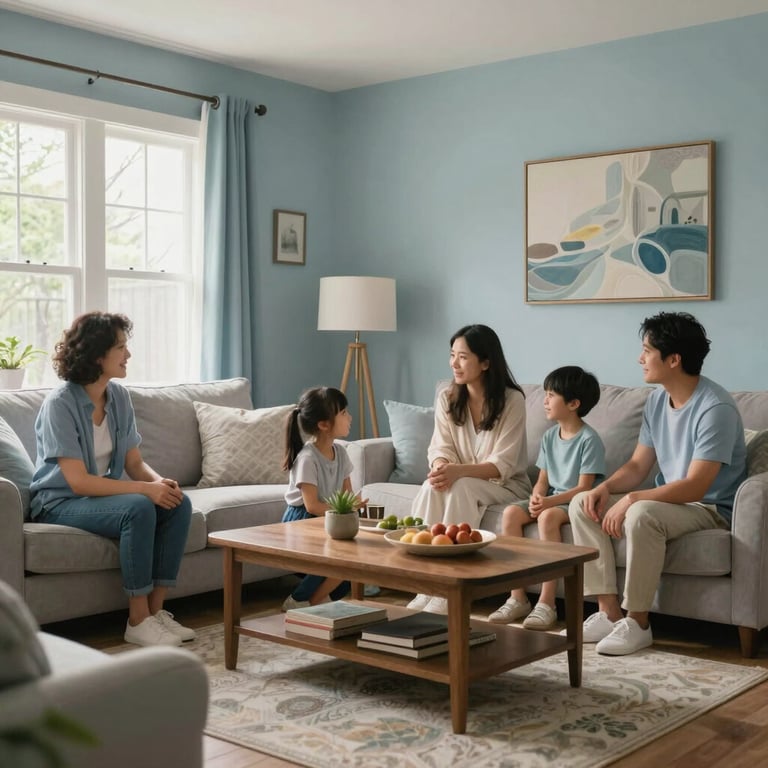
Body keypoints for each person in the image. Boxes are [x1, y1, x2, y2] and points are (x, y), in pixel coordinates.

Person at [568, 311, 747, 655]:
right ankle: (609, 612)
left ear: (674, 359)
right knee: (581, 502)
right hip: (670, 502)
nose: (640, 358)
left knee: (642, 513)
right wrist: (606, 488)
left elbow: (696, 486)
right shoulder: (655, 401)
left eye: (647, 350)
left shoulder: (716, 408)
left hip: (708, 507)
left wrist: (633, 499)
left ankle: (638, 622)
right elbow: (637, 464)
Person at [29, 312, 195, 647]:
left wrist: (160, 484)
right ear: (96, 354)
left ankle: (155, 612)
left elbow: (134, 463)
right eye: (121, 347)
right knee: (138, 506)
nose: (128, 355)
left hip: (94, 499)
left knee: (179, 503)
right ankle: (137, 620)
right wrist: (144, 491)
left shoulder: (118, 397)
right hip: (58, 503)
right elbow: (78, 482)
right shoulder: (60, 404)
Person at [407, 324, 532, 615]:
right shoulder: (447, 399)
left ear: (485, 362)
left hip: (507, 485)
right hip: (460, 478)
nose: (454, 363)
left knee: (460, 485)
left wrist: (456, 472)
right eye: (452, 355)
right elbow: (440, 448)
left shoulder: (513, 400)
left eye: (463, 357)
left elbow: (504, 463)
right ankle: (424, 583)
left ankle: (450, 585)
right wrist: (441, 468)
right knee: (430, 487)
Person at [488, 366, 605, 629]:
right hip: (551, 498)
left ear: (574, 403)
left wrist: (549, 503)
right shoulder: (550, 436)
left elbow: (584, 488)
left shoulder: (589, 439)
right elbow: (542, 479)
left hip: (572, 501)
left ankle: (547, 602)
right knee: (511, 513)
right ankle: (517, 597)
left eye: (552, 395)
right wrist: (537, 497)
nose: (545, 400)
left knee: (548, 518)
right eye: (546, 394)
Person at [281, 386, 366, 611]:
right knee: (335, 557)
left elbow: (347, 496)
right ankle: (299, 599)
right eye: (344, 413)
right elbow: (312, 505)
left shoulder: (341, 453)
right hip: (303, 520)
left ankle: (314, 601)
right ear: (324, 424)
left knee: (355, 563)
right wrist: (346, 508)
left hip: (328, 516)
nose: (350, 417)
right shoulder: (308, 458)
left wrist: (355, 506)